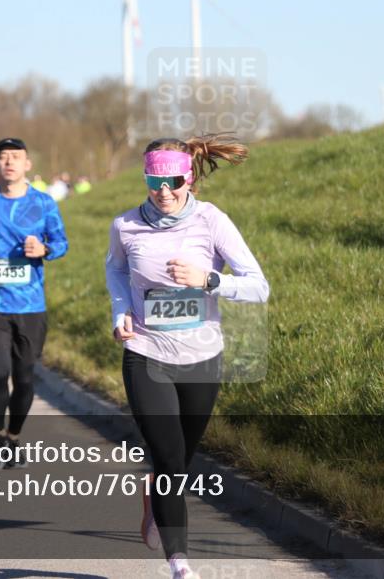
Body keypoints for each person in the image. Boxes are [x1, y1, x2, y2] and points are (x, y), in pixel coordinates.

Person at [104, 134, 269, 579]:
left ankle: (155, 495)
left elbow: (259, 286)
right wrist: (121, 310)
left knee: (179, 461)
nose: (164, 191)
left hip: (202, 357)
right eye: (154, 181)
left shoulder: (211, 221)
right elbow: (115, 268)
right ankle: (180, 564)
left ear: (189, 178)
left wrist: (209, 279)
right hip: (146, 352)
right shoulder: (125, 225)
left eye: (173, 181)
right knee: (170, 459)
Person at [0, 137, 69, 468]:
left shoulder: (44, 203)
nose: (9, 162)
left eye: (16, 157)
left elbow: (61, 242)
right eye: (3, 157)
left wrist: (45, 249)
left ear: (27, 164)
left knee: (24, 377)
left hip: (31, 304)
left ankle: (14, 437)